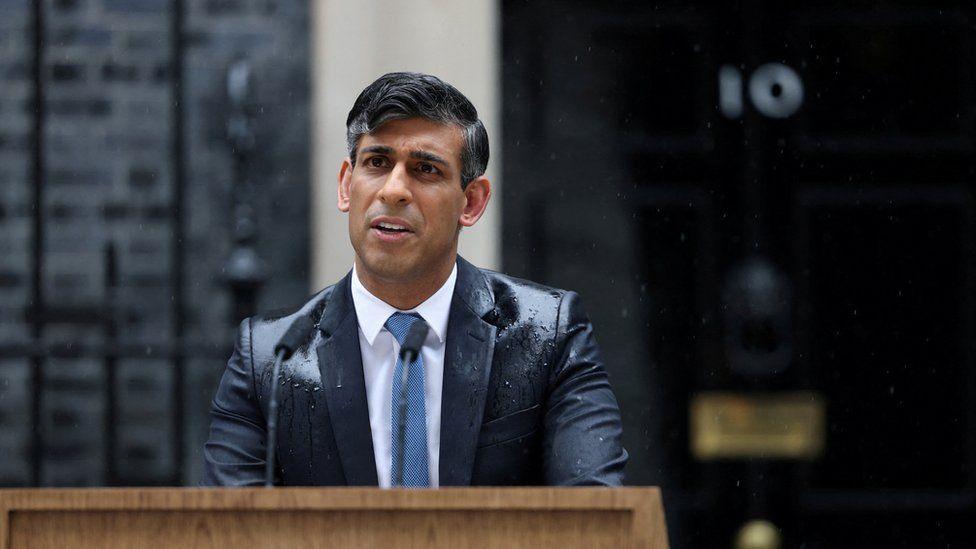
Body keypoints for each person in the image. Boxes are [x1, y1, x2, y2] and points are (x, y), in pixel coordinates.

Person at [202, 72, 627, 487]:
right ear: (347, 186)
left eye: (425, 169)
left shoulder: (548, 334)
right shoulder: (271, 359)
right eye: (377, 163)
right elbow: (230, 531)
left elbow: (595, 519)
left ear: (472, 202)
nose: (394, 190)